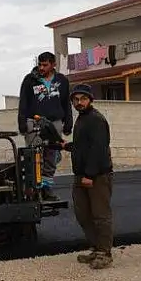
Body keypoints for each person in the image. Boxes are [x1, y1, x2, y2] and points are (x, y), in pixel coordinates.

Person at [59, 83, 114, 269]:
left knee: (100, 215)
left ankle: (105, 253)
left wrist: (89, 175)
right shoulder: (82, 119)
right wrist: (66, 146)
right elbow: (83, 146)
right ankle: (96, 248)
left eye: (82, 99)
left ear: (90, 99)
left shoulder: (95, 119)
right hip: (81, 175)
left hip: (97, 176)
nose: (78, 102)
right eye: (75, 99)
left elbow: (98, 149)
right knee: (83, 214)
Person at [18, 52, 73, 201]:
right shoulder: (30, 80)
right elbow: (23, 102)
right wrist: (22, 123)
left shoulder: (62, 81)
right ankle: (33, 188)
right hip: (34, 122)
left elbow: (66, 103)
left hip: (55, 122)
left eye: (45, 65)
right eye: (40, 64)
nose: (41, 68)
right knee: (34, 155)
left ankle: (46, 187)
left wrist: (68, 122)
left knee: (52, 155)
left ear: (53, 65)